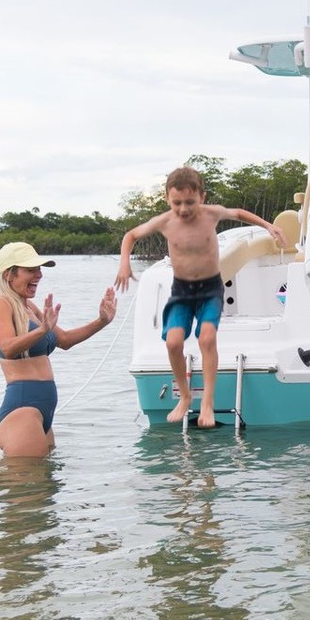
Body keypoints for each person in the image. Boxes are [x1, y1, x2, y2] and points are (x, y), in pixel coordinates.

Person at [114, 165, 286, 429]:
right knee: (173, 343)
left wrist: (268, 226)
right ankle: (185, 397)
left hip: (210, 289)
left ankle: (207, 401)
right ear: (167, 199)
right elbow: (131, 235)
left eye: (190, 202)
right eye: (177, 203)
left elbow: (239, 213)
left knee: (206, 338)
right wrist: (124, 263)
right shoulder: (165, 222)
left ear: (202, 197)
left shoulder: (211, 214)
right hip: (182, 291)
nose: (183, 209)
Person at [0, 241, 117, 458]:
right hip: (23, 411)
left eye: (39, 269)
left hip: (42, 411)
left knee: (46, 478)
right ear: (9, 274)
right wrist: (42, 330)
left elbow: (64, 340)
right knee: (27, 479)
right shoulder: (1, 303)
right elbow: (7, 347)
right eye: (31, 270)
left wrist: (101, 321)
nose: (39, 275)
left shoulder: (28, 306)